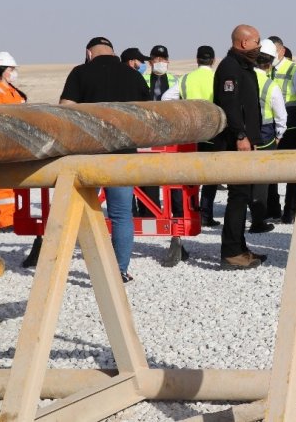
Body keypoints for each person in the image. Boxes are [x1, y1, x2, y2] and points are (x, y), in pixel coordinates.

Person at [59, 37, 151, 283]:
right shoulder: (133, 75)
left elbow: (66, 108)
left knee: (81, 212)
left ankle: (64, 267)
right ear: (114, 52)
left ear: (89, 53)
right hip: (123, 154)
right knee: (121, 214)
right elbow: (149, 112)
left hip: (90, 154)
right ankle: (119, 270)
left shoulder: (80, 72)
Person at [213, 24, 266, 270]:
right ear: (244, 43)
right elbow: (230, 106)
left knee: (243, 195)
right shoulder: (230, 67)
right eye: (256, 41)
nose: (259, 45)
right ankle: (231, 252)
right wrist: (241, 135)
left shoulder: (244, 66)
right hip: (236, 142)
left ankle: (240, 247)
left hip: (246, 141)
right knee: (237, 196)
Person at [267, 35, 296, 224]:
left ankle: (290, 211)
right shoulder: (266, 71)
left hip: (292, 128)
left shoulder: (294, 70)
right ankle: (272, 209)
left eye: (274, 52)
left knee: (294, 172)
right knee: (270, 170)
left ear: (282, 51)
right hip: (273, 128)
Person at [178, 45, 220, 227]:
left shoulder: (185, 79)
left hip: (192, 134)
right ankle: (206, 213)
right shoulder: (217, 78)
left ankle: (189, 211)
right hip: (213, 132)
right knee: (211, 175)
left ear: (196, 59)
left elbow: (167, 97)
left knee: (191, 174)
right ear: (213, 60)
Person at [137, 44, 180, 217]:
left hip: (169, 132)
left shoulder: (175, 80)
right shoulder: (143, 80)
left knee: (173, 173)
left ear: (168, 61)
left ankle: (177, 210)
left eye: (163, 59)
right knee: (148, 172)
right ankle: (149, 211)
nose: (159, 62)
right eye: (156, 59)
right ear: (151, 61)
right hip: (148, 132)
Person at [248, 38, 286, 234]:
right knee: (262, 182)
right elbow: (281, 116)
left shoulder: (244, 79)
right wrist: (279, 135)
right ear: (270, 63)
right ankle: (258, 221)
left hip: (245, 137)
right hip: (266, 138)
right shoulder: (271, 85)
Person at [0, 52, 27, 232]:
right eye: (11, 69)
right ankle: (4, 222)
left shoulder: (14, 91)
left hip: (17, 143)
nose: (14, 72)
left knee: (15, 184)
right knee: (3, 186)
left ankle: (11, 218)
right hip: (3, 143)